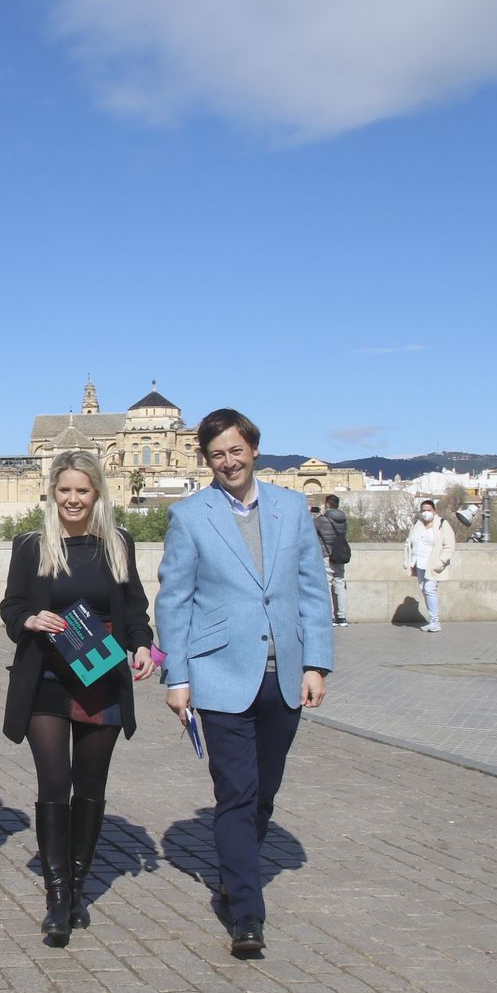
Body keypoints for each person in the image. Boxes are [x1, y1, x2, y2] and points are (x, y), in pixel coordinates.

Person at [158, 408, 332, 958]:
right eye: (217, 455)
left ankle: (237, 872)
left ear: (253, 448)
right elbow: (174, 599)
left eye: (236, 450)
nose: (228, 462)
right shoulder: (190, 516)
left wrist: (316, 664)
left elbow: (311, 590)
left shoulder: (290, 507)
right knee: (235, 792)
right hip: (220, 673)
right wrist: (177, 676)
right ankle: (247, 914)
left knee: (263, 793)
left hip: (283, 672)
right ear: (206, 461)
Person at [0, 451, 155, 945]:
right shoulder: (32, 545)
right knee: (54, 783)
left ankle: (81, 883)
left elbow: (134, 610)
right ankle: (58, 895)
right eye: (64, 490)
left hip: (102, 673)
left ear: (97, 494)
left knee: (90, 786)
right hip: (46, 674)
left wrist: (143, 646)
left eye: (81, 491)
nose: (72, 499)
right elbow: (12, 605)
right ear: (52, 492)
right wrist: (28, 620)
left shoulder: (118, 544)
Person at [403, 498, 455, 633]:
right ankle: (432, 621)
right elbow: (411, 541)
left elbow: (449, 545)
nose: (426, 513)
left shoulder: (442, 524)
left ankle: (435, 622)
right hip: (419, 563)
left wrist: (441, 561)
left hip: (433, 564)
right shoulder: (418, 525)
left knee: (429, 589)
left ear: (434, 511)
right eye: (423, 510)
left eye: (428, 510)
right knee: (424, 590)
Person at [313, 494, 350, 627]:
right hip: (340, 554)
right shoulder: (344, 519)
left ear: (327, 504)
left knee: (327, 586)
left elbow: (311, 529)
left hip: (326, 554)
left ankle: (329, 616)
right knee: (340, 584)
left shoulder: (322, 520)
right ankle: (342, 617)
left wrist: (319, 515)